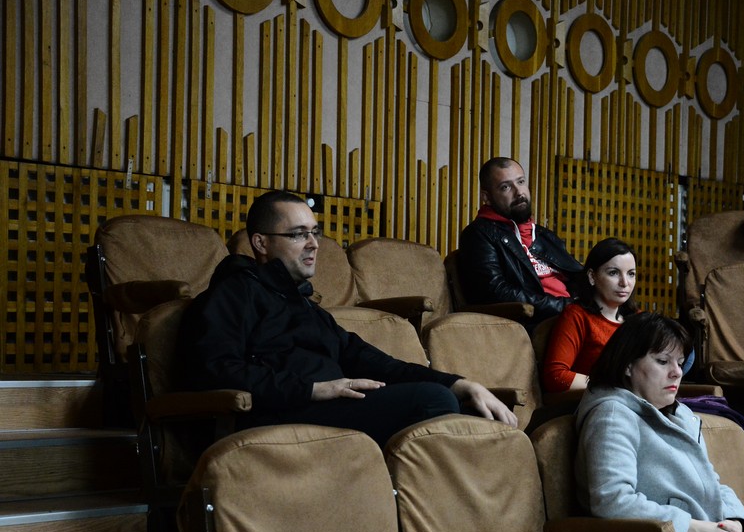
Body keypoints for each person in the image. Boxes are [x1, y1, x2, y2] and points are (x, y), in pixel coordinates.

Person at [177, 190, 516, 447]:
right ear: (261, 243)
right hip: (280, 414)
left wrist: (459, 383)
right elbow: (214, 369)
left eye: (315, 232)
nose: (314, 244)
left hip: (330, 410)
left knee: (473, 410)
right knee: (433, 402)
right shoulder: (233, 293)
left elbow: (377, 363)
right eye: (298, 234)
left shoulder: (307, 307)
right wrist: (313, 389)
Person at [574, 312, 744, 532]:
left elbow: (711, 482)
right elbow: (613, 501)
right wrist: (693, 528)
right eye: (663, 361)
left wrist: (733, 520)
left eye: (680, 363)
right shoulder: (613, 415)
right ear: (628, 365)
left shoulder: (679, 415)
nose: (677, 372)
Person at [459, 157, 583, 322]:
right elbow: (496, 292)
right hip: (537, 320)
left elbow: (577, 276)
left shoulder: (545, 235)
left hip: (573, 314)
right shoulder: (479, 234)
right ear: (486, 197)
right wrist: (567, 307)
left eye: (521, 182)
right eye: (506, 187)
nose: (519, 192)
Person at [541, 238, 638, 393]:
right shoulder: (577, 315)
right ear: (592, 276)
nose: (625, 283)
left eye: (631, 274)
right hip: (597, 401)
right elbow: (555, 376)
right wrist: (614, 388)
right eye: (613, 273)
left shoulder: (639, 319)